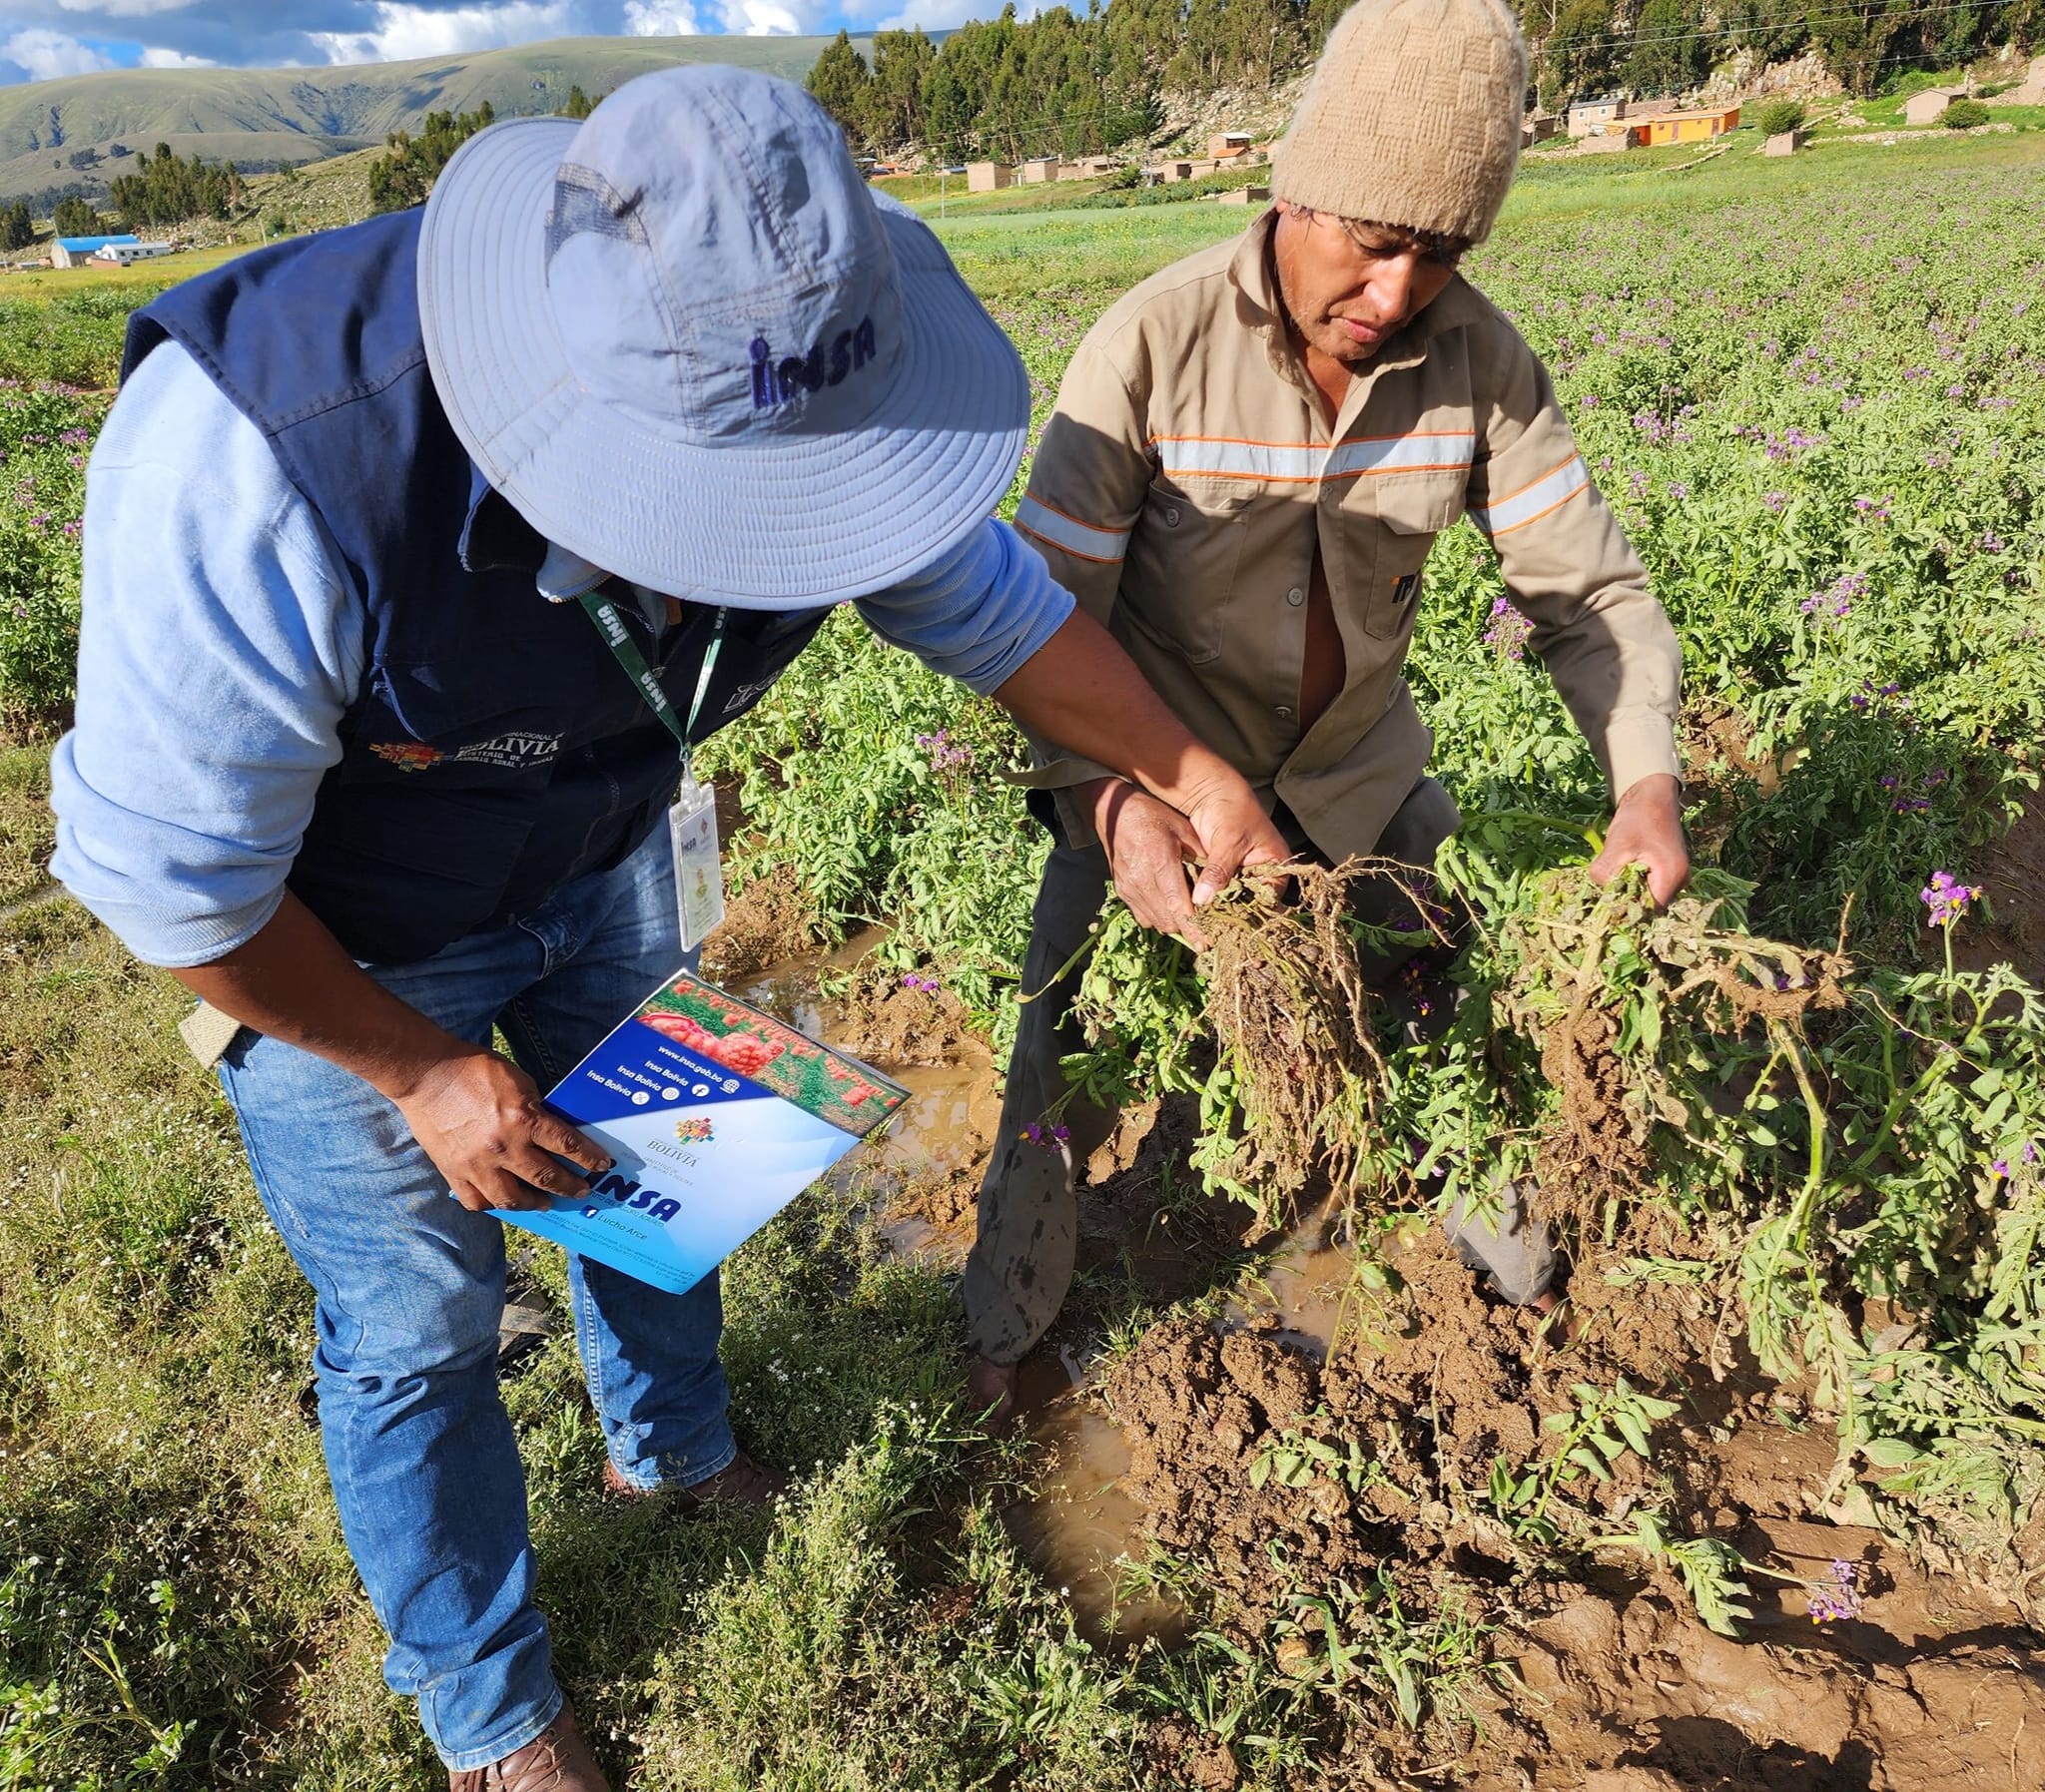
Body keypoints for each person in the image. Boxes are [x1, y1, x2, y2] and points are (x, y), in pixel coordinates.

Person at [50, 69, 1284, 1792]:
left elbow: (990, 606)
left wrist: (1184, 766)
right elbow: (175, 891)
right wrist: (418, 1071)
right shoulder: (262, 457)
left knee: (669, 1169)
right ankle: (491, 1715)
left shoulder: (824, 368)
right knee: (415, 1328)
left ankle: (676, 1451)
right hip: (347, 937)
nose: (756, 564)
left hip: (609, 847)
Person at [965, 0, 1691, 1424]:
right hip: (1151, 791)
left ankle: (1513, 1285)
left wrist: (1646, 782)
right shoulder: (1152, 346)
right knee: (1058, 1062)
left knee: (1443, 1005)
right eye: (1372, 236)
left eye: (1443, 250)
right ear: (1295, 189)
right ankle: (1004, 1321)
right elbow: (1036, 630)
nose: (1399, 285)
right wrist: (1110, 807)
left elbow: (1591, 595)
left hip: (1358, 784)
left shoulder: (1480, 364)